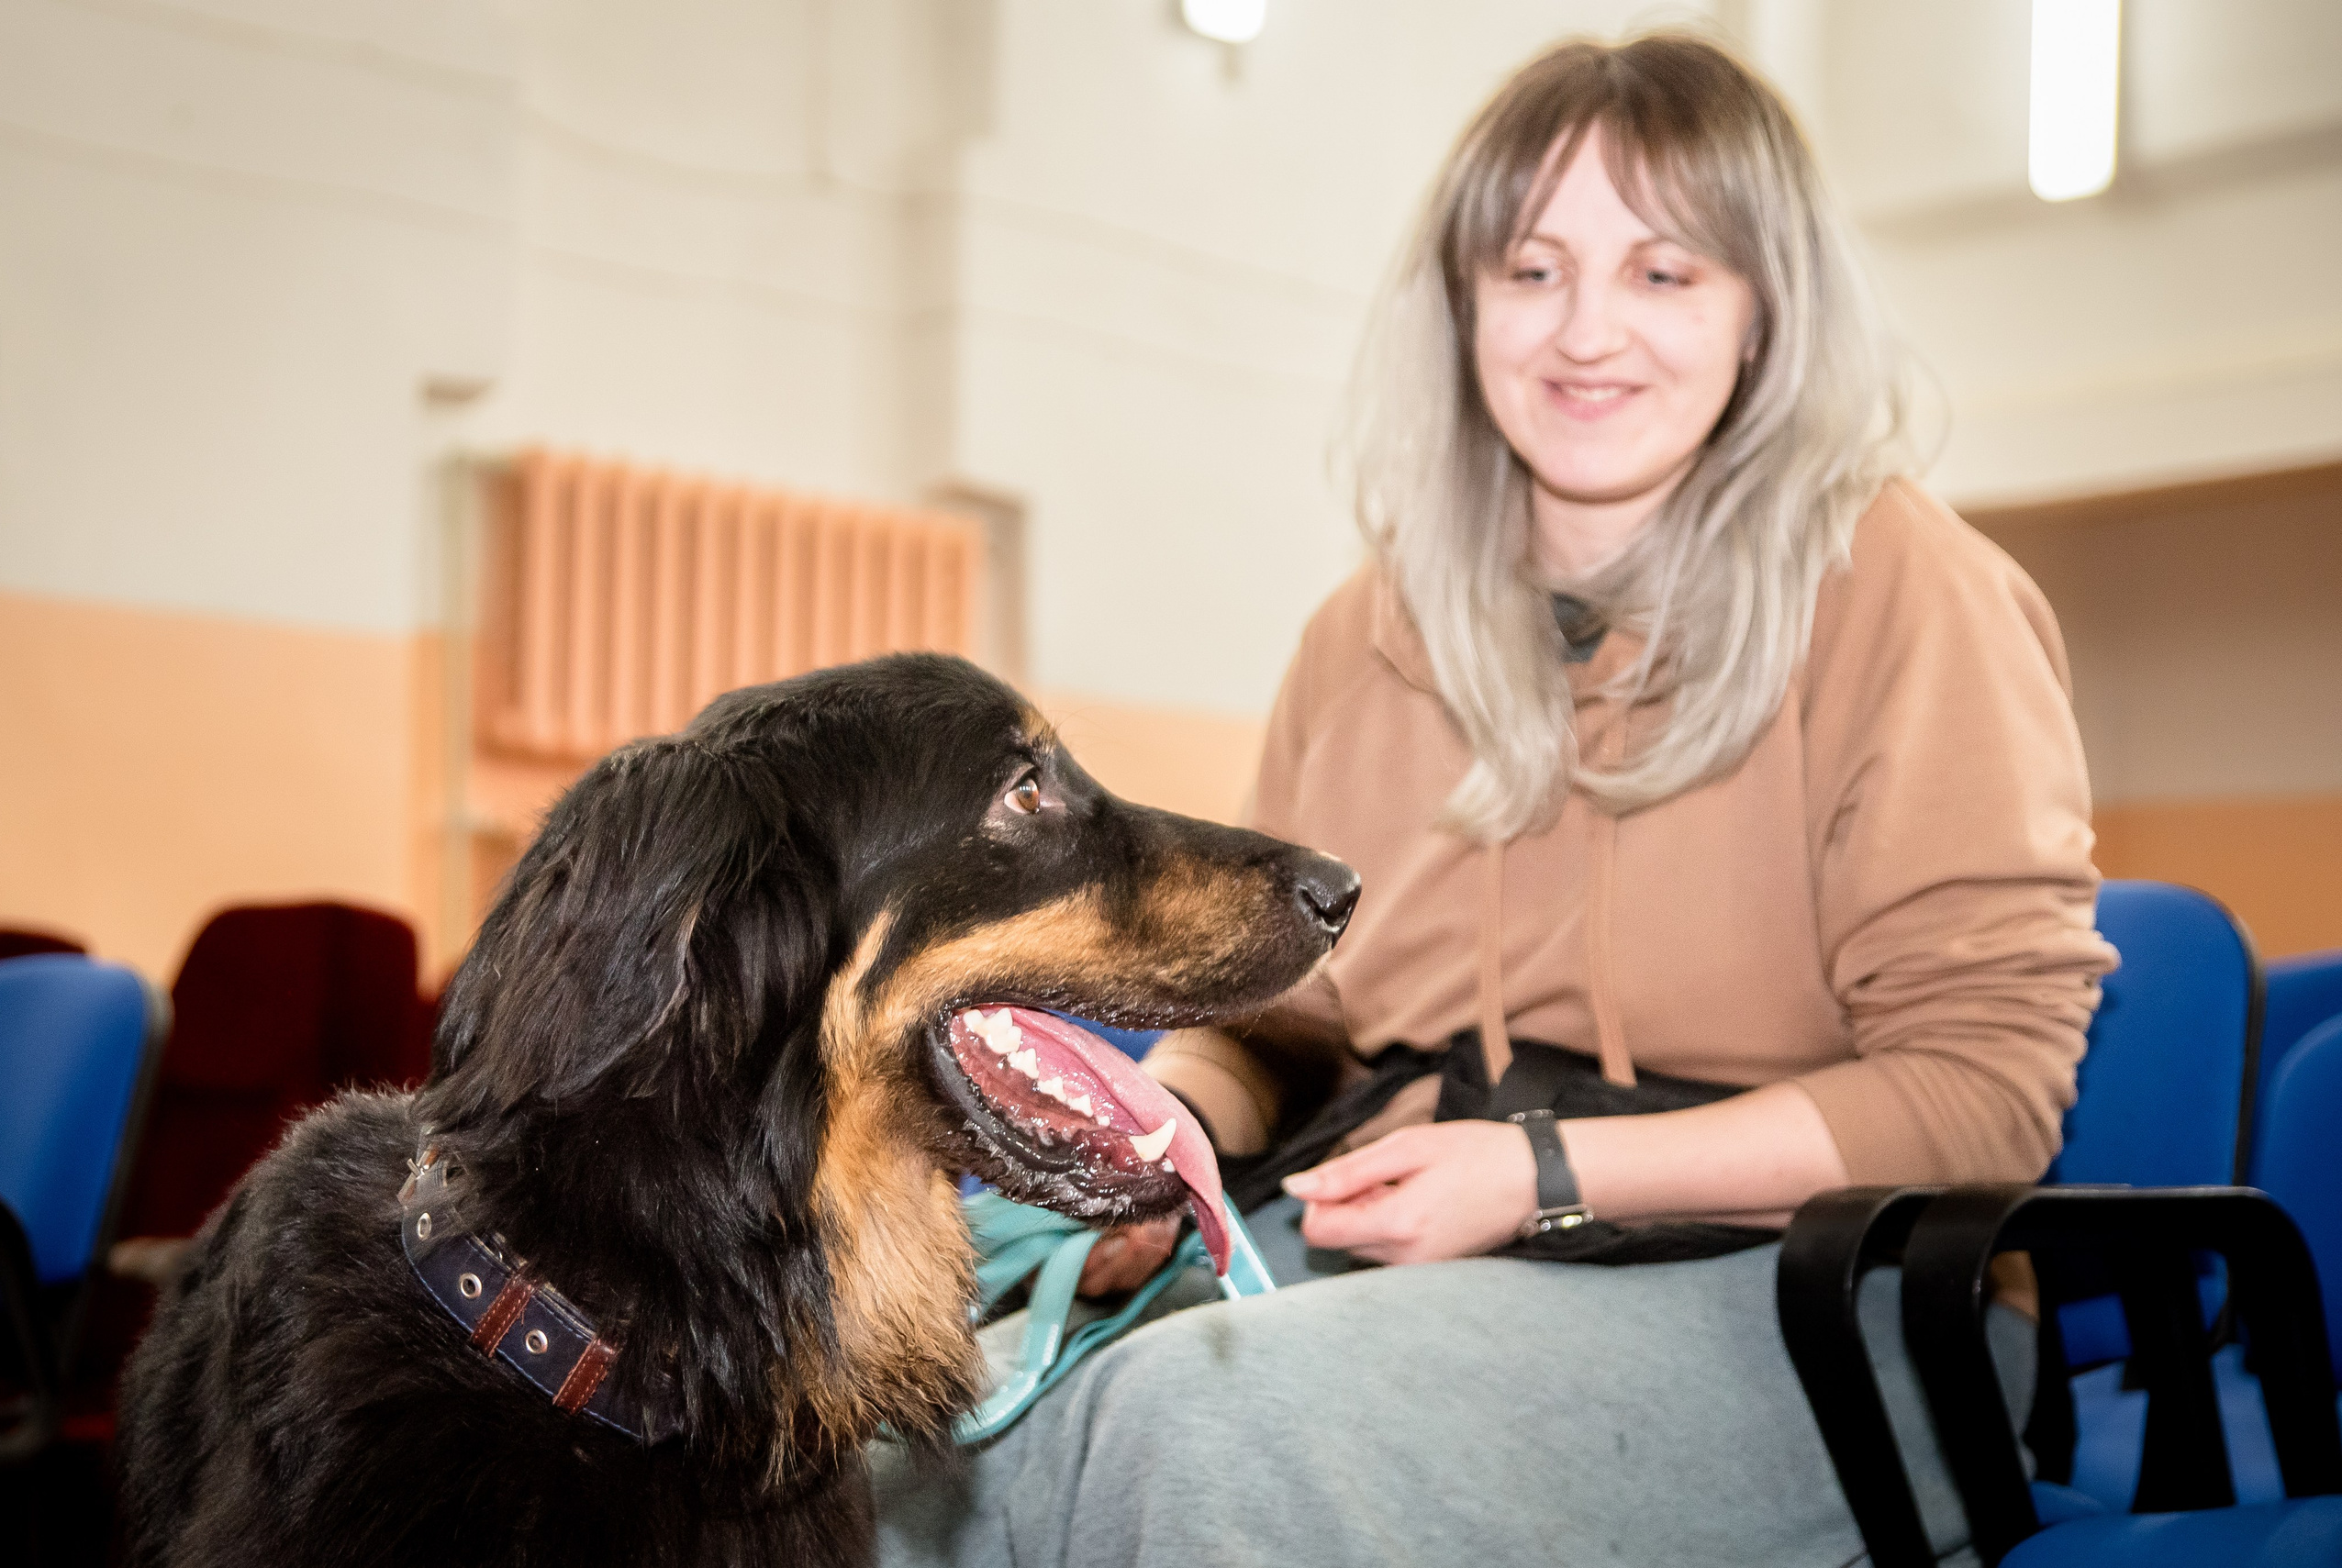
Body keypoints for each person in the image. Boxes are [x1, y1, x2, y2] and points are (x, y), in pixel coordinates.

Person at [876, 31, 2114, 1567]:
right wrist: (1159, 1149)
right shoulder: (1364, 631)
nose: (1587, 331)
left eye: (1666, 273)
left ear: (1763, 311)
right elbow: (1284, 1015)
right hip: (1401, 1230)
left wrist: (1541, 1177)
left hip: (1819, 1294)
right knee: (915, 1446)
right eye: (1531, 272)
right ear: (1463, 305)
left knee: (1204, 1426)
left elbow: (1980, 1093)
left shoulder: (1915, 593)